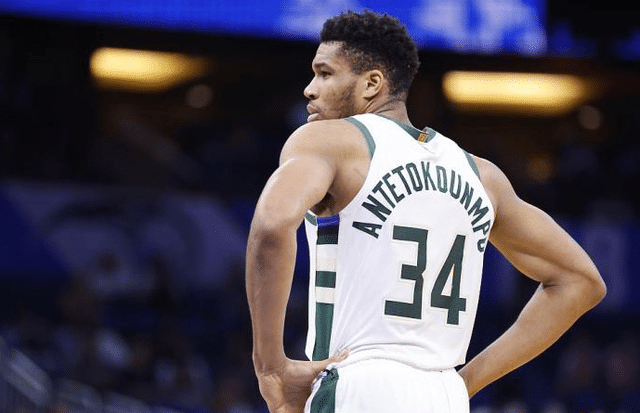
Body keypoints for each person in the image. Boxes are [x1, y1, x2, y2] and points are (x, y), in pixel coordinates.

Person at [245, 10, 606, 413]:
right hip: (443, 393)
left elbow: (272, 224)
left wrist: (271, 368)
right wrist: (466, 382)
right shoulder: (482, 175)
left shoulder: (328, 141)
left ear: (372, 84)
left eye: (324, 74)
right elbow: (580, 281)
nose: (310, 89)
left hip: (360, 382)